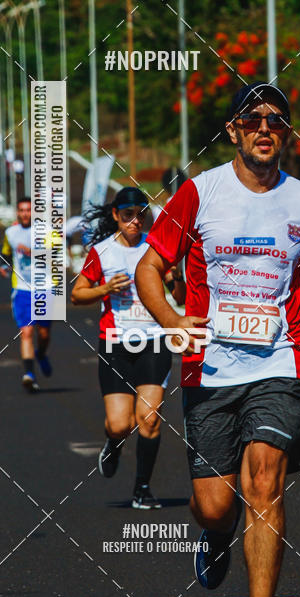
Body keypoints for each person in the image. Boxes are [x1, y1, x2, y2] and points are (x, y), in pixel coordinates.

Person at [135, 82, 300, 597]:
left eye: (276, 121)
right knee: (215, 504)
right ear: (233, 130)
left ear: (286, 133)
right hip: (209, 369)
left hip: (280, 361)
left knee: (265, 482)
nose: (264, 128)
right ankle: (215, 536)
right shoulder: (199, 194)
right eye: (252, 119)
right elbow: (151, 268)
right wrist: (171, 319)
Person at [71, 187, 186, 510]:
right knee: (121, 424)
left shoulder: (157, 248)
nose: (134, 221)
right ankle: (114, 443)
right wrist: (106, 287)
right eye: (127, 215)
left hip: (154, 340)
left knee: (148, 419)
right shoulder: (102, 252)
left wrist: (174, 276)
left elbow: (180, 296)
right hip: (116, 344)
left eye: (140, 215)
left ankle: (142, 488)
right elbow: (77, 295)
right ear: (115, 216)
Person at [0, 197, 53, 392]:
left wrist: (33, 252)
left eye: (28, 210)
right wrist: (5, 267)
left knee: (44, 333)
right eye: (21, 210)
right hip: (22, 289)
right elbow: (6, 253)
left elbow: (55, 254)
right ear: (17, 212)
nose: (25, 213)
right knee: (27, 332)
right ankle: (29, 374)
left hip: (45, 287)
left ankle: (41, 354)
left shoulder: (46, 231)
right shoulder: (10, 233)